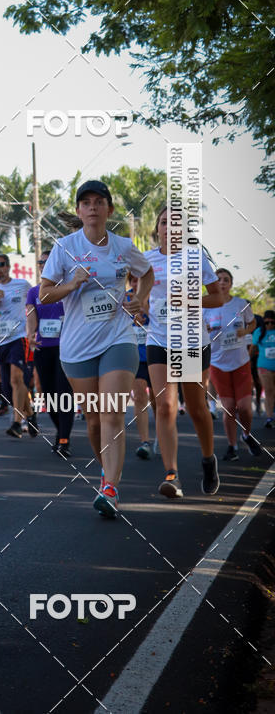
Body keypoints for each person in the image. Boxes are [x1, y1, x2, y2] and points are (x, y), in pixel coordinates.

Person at [40, 180, 154, 517]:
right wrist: (72, 283)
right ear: (79, 211)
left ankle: (110, 489)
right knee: (93, 421)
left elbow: (146, 273)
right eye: (86, 202)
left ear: (109, 209)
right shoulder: (65, 247)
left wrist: (139, 298)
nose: (92, 207)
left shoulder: (123, 246)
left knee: (112, 412)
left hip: (118, 338)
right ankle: (106, 474)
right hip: (77, 347)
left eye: (99, 202)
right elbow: (44, 294)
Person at [145, 207, 223, 499]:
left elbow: (218, 297)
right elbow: (139, 295)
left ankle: (208, 460)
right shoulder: (146, 260)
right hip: (158, 339)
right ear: (158, 228)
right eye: (165, 222)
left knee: (196, 408)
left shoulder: (196, 257)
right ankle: (171, 474)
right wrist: (138, 308)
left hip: (191, 340)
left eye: (176, 224)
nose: (170, 228)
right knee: (165, 405)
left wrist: (192, 299)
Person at [0, 253, 36, 438]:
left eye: (1, 264)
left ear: (8, 267)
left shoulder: (23, 285)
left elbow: (35, 305)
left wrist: (34, 331)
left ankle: (17, 423)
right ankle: (30, 415)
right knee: (9, 389)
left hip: (19, 338)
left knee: (16, 379)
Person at [206, 269, 259, 461]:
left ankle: (246, 435)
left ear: (231, 284)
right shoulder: (205, 307)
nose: (222, 282)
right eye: (218, 279)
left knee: (244, 407)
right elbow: (195, 331)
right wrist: (205, 329)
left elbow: (252, 323)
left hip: (240, 362)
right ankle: (232, 446)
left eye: (226, 279)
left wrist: (245, 331)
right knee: (228, 407)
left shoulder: (240, 304)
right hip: (218, 363)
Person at [26, 248, 74, 456]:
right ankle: (60, 431)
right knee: (49, 396)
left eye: (47, 262)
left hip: (66, 347)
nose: (43, 265)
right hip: (42, 348)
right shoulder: (33, 292)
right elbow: (31, 316)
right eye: (40, 263)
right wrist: (30, 335)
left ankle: (64, 440)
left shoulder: (67, 289)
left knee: (64, 393)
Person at [128, 274, 155, 460]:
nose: (136, 283)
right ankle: (145, 442)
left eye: (140, 279)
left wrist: (144, 308)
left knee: (159, 401)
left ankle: (162, 436)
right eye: (133, 280)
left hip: (156, 353)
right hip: (135, 355)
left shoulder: (156, 295)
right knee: (139, 397)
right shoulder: (125, 297)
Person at [251, 310, 275, 429]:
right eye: (267, 323)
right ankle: (269, 417)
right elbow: (253, 348)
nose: (269, 325)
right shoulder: (259, 332)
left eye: (272, 322)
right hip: (264, 366)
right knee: (269, 391)